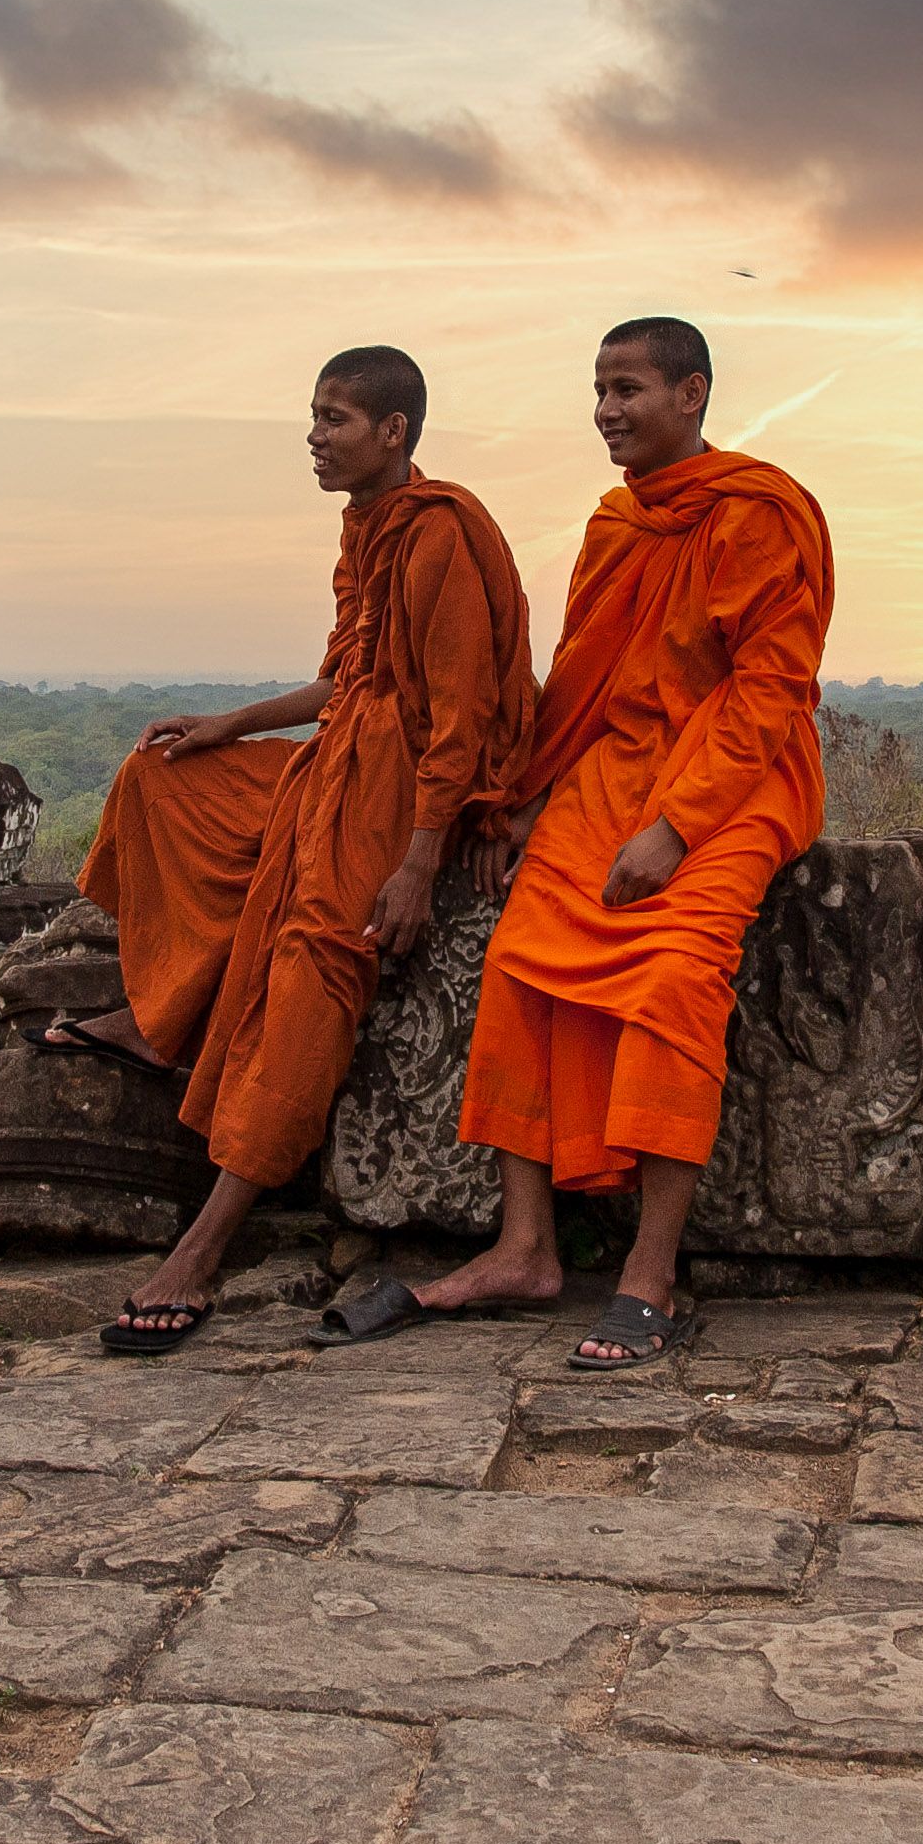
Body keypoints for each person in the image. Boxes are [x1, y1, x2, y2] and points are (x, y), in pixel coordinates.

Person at [324, 318, 831, 1370]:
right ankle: (525, 1247)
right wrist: (520, 795)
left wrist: (675, 827)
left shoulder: (758, 516)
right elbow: (587, 676)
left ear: (690, 395)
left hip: (731, 783)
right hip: (612, 771)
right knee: (515, 964)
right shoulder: (616, 526)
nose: (606, 411)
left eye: (628, 389)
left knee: (674, 980)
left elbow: (768, 692)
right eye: (598, 389)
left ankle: (648, 1271)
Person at [42, 349, 535, 1353]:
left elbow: (457, 715)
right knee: (161, 776)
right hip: (339, 761)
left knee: (314, 955)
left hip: (399, 794)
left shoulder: (436, 530)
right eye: (313, 417)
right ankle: (159, 1014)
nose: (314, 436)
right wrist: (230, 723)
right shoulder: (366, 529)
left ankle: (204, 1244)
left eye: (334, 418)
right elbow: (343, 682)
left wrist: (417, 862)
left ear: (391, 432)